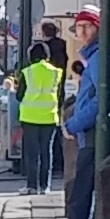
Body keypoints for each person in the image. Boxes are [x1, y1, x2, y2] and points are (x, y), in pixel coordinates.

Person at [56, 8, 110, 219]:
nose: (82, 32)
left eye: (87, 26)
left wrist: (73, 124)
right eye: (78, 27)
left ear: (99, 28)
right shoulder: (98, 58)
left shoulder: (102, 59)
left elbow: (101, 101)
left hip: (97, 139)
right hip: (95, 138)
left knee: (82, 201)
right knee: (95, 202)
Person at [14, 34, 66, 193]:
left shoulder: (27, 72)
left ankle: (31, 186)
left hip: (30, 117)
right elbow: (59, 94)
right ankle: (45, 186)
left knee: (32, 153)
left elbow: (19, 95)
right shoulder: (56, 72)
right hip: (50, 116)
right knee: (47, 152)